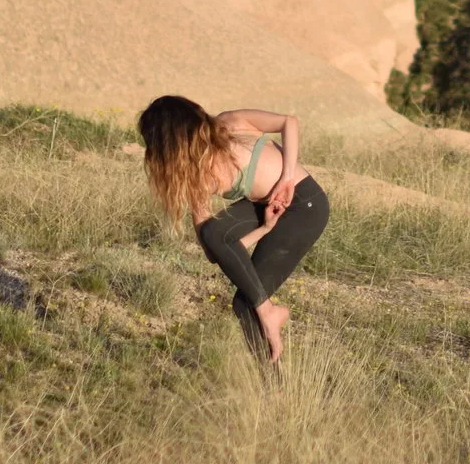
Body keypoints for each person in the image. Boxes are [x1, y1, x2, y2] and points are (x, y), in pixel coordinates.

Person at [138, 95, 330, 362]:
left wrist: (287, 178)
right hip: (268, 210)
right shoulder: (197, 178)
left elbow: (290, 122)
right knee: (240, 294)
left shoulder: (231, 123)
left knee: (247, 303)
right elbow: (215, 250)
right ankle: (270, 373)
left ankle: (267, 322)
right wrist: (264, 229)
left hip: (304, 205)